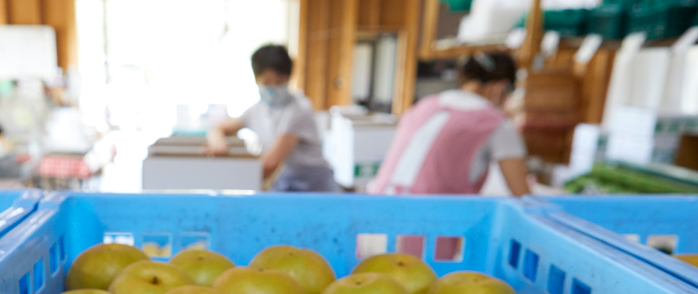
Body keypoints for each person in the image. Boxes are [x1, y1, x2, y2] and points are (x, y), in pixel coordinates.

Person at [369, 53, 530, 197]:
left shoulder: (423, 105)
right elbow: (522, 195)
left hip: (374, 217)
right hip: (431, 225)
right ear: (501, 87)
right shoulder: (497, 124)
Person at [206, 44, 338, 192]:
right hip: (288, 182)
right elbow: (219, 128)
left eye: (280, 81)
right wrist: (218, 141)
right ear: (256, 79)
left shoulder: (299, 108)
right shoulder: (257, 110)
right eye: (267, 81)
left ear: (288, 78)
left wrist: (226, 182)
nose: (273, 86)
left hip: (315, 186)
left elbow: (270, 163)